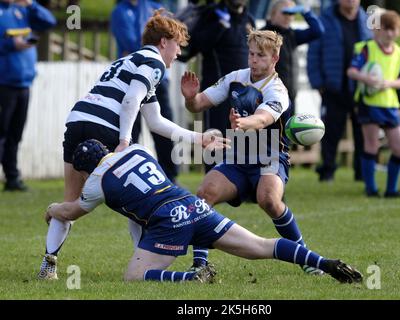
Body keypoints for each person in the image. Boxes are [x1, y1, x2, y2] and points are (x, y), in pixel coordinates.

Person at [37, 10, 228, 280]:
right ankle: (144, 263)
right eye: (177, 46)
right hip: (105, 127)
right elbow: (130, 101)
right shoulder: (154, 62)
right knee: (137, 203)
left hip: (78, 119)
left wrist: (197, 138)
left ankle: (49, 263)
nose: (178, 54)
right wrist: (125, 141)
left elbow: (156, 121)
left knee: (71, 200)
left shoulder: (131, 59)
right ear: (164, 42)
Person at [43, 139, 363, 284]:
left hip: (168, 218)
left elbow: (71, 212)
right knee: (260, 246)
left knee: (134, 276)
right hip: (193, 205)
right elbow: (129, 154)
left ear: (84, 171)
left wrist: (52, 208)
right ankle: (324, 262)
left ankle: (191, 278)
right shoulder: (137, 150)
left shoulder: (95, 182)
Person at [181, 29, 325, 275]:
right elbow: (199, 104)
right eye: (251, 54)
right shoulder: (236, 78)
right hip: (237, 159)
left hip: (270, 158)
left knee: (268, 200)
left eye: (261, 55)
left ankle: (306, 259)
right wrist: (190, 98)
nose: (254, 59)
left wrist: (242, 123)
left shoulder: (278, 90)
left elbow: (262, 119)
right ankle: (200, 265)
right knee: (204, 193)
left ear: (275, 59)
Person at [178, 0, 255, 172]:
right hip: (218, 92)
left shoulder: (248, 19)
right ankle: (213, 183)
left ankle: (246, 185)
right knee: (216, 138)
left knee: (247, 140)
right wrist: (220, 25)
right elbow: (195, 45)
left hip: (246, 93)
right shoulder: (211, 14)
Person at [111, 0, 179, 183]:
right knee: (131, 128)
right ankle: (128, 176)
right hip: (134, 79)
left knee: (164, 126)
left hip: (158, 79)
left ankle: (170, 176)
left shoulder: (152, 6)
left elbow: (167, 37)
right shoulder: (121, 11)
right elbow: (133, 43)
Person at [307, 0, 371, 182]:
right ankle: (327, 171)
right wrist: (318, 82)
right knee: (330, 132)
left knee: (363, 132)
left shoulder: (367, 19)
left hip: (360, 89)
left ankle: (362, 173)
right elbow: (314, 53)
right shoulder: (325, 19)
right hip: (333, 87)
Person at [347, 10, 400, 198]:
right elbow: (351, 71)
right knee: (371, 146)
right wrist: (367, 79)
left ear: (398, 31)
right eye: (386, 28)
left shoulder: (398, 52)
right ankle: (371, 188)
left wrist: (388, 83)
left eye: (393, 29)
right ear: (378, 30)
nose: (389, 33)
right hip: (369, 103)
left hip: (390, 104)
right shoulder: (368, 48)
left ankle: (391, 189)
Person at [0, 0, 56, 191]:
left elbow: (49, 21)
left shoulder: (20, 10)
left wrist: (31, 4)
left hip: (23, 83)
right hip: (3, 83)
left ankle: (12, 178)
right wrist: (9, 45)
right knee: (1, 133)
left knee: (15, 134)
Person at [261, 0, 324, 108]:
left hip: (290, 97)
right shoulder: (263, 35)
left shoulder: (292, 34)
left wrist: (305, 11)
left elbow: (318, 31)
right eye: (285, 12)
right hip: (269, 97)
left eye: (292, 13)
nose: (288, 17)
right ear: (273, 13)